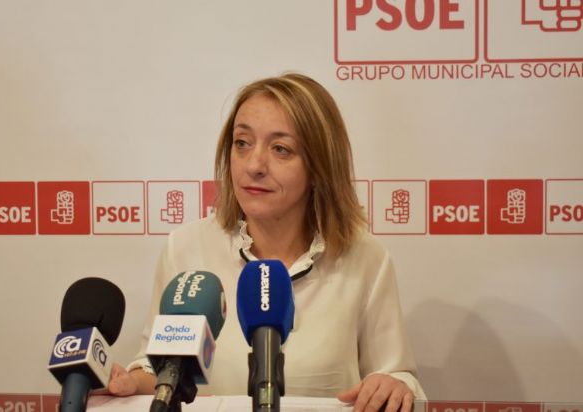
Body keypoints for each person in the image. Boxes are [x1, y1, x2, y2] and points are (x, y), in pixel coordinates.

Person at [107, 73, 425, 411]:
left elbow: (398, 378)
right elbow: (157, 370)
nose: (254, 165)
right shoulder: (185, 248)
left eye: (281, 149)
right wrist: (130, 383)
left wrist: (394, 385)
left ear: (319, 167)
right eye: (242, 143)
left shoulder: (365, 258)